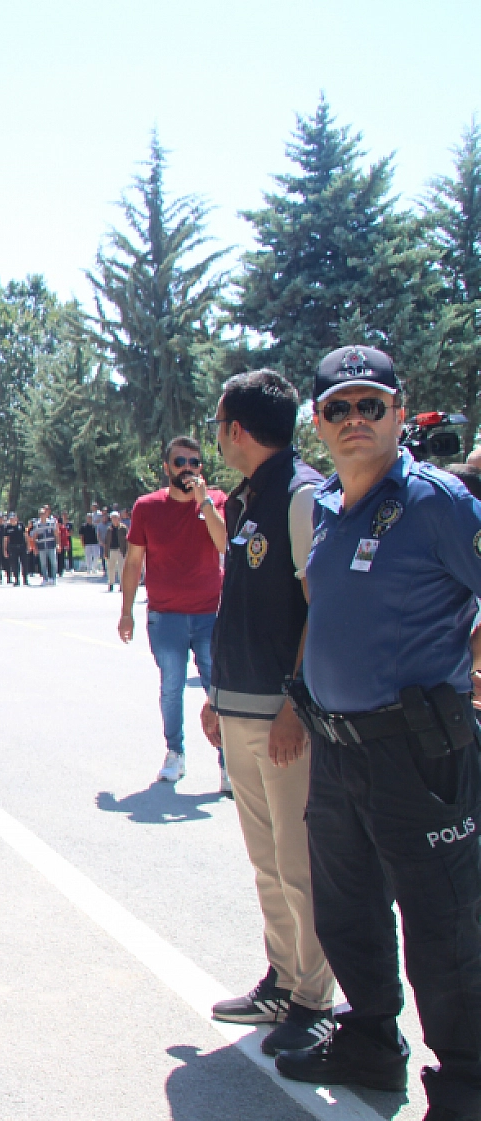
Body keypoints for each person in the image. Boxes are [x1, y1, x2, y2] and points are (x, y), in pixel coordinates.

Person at [267, 347, 481, 1119]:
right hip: (340, 746)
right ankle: (370, 1040)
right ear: (317, 422)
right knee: (346, 906)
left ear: (399, 410)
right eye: (338, 408)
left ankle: (465, 1080)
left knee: (443, 920)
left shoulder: (437, 502)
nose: (355, 419)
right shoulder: (325, 504)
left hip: (418, 751)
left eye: (372, 404)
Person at [197, 370, 335, 1055]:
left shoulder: (302, 493)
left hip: (284, 716)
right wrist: (218, 695)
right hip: (242, 707)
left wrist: (295, 701)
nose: (215, 434)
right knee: (266, 858)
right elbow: (244, 599)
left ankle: (315, 995)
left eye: (219, 423)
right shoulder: (248, 497)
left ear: (237, 429)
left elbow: (322, 606)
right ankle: (283, 977)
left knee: (299, 857)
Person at [116, 437, 227, 785]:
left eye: (195, 463)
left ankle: (228, 762)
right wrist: (126, 611)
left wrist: (204, 503)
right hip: (166, 616)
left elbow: (225, 544)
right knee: (172, 686)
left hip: (211, 614)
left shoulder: (215, 500)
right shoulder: (147, 507)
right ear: (167, 468)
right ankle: (175, 753)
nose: (188, 469)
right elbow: (134, 563)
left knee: (219, 689)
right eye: (181, 462)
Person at [34, 505, 59, 583]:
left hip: (51, 545)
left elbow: (56, 534)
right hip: (42, 547)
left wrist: (58, 544)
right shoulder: (37, 524)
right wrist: (35, 547)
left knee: (53, 562)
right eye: (41, 514)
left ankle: (54, 578)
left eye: (43, 513)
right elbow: (35, 537)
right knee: (43, 564)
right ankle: (45, 578)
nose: (42, 515)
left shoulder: (51, 523)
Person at [104, 510, 128, 590]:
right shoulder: (109, 529)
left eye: (115, 518)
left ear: (119, 518)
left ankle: (122, 584)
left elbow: (127, 540)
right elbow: (106, 542)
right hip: (111, 550)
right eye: (112, 518)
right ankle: (111, 583)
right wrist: (106, 552)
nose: (114, 519)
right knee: (111, 567)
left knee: (121, 567)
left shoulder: (123, 528)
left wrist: (127, 551)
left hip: (120, 550)